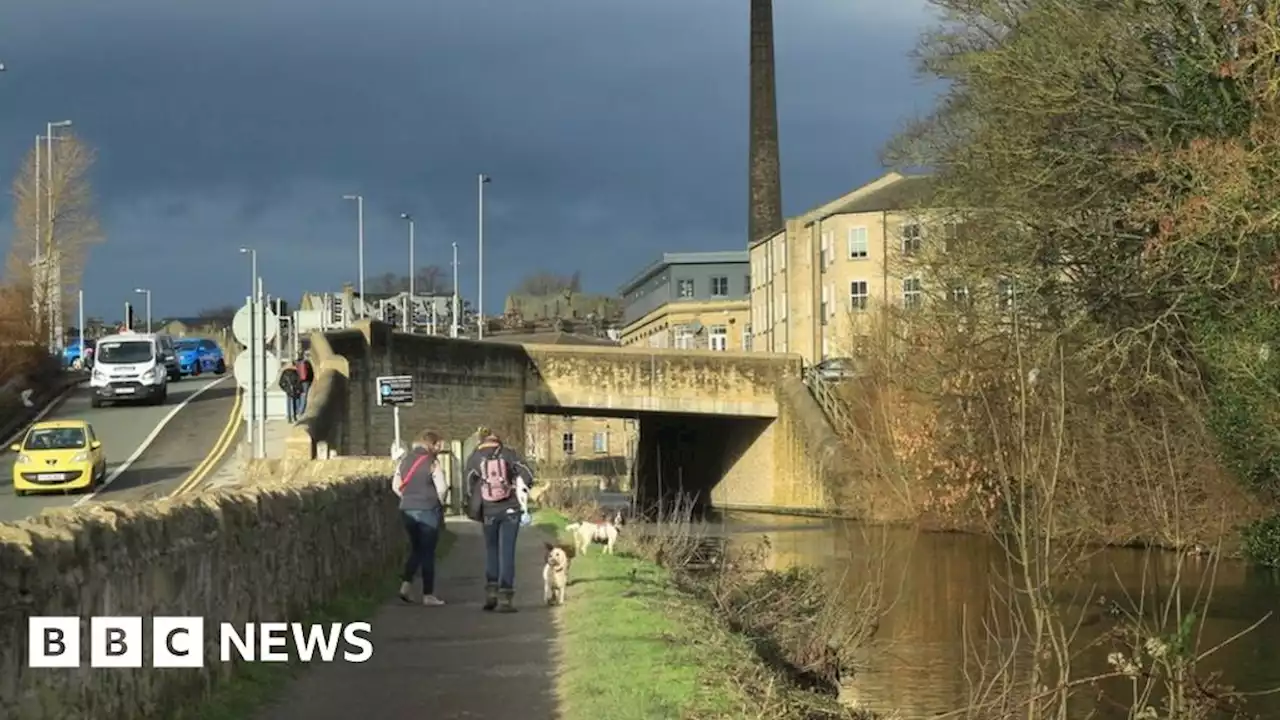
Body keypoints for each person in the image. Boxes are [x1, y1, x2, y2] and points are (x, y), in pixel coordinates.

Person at [464, 428, 535, 613]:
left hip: (489, 511)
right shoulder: (509, 453)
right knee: (508, 552)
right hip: (511, 508)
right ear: (498, 439)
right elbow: (528, 474)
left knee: (491, 550)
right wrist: (519, 488)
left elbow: (469, 485)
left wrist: (480, 500)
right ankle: (506, 598)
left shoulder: (475, 457)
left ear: (482, 439)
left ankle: (491, 593)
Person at [394, 430, 448, 606]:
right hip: (428, 509)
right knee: (427, 552)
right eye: (438, 445)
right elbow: (442, 487)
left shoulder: (404, 460)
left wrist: (408, 498)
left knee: (416, 549)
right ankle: (428, 594)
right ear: (431, 444)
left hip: (407, 509)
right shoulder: (432, 462)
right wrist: (439, 502)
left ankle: (405, 586)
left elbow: (396, 485)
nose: (440, 448)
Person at [294, 352, 314, 418]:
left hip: (297, 381)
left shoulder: (296, 363)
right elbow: (310, 373)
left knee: (298, 396)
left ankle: (297, 411)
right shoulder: (307, 363)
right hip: (306, 381)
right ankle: (301, 412)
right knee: (304, 396)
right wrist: (311, 381)